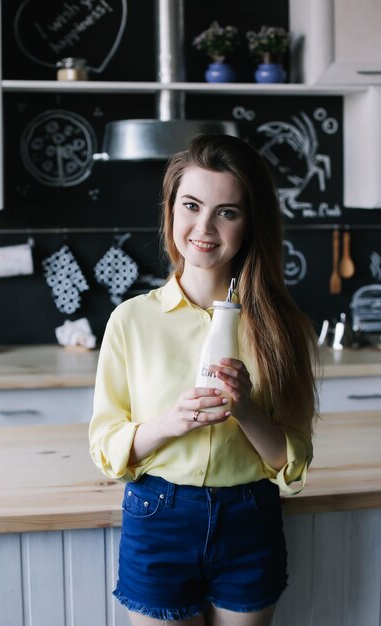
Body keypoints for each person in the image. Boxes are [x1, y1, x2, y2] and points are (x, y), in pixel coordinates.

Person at [89, 134, 318, 626]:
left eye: (227, 212)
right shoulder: (131, 321)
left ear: (250, 222)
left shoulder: (285, 328)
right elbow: (107, 447)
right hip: (158, 518)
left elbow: (292, 464)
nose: (204, 227)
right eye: (191, 205)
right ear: (170, 209)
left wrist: (246, 409)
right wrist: (169, 423)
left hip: (250, 518)